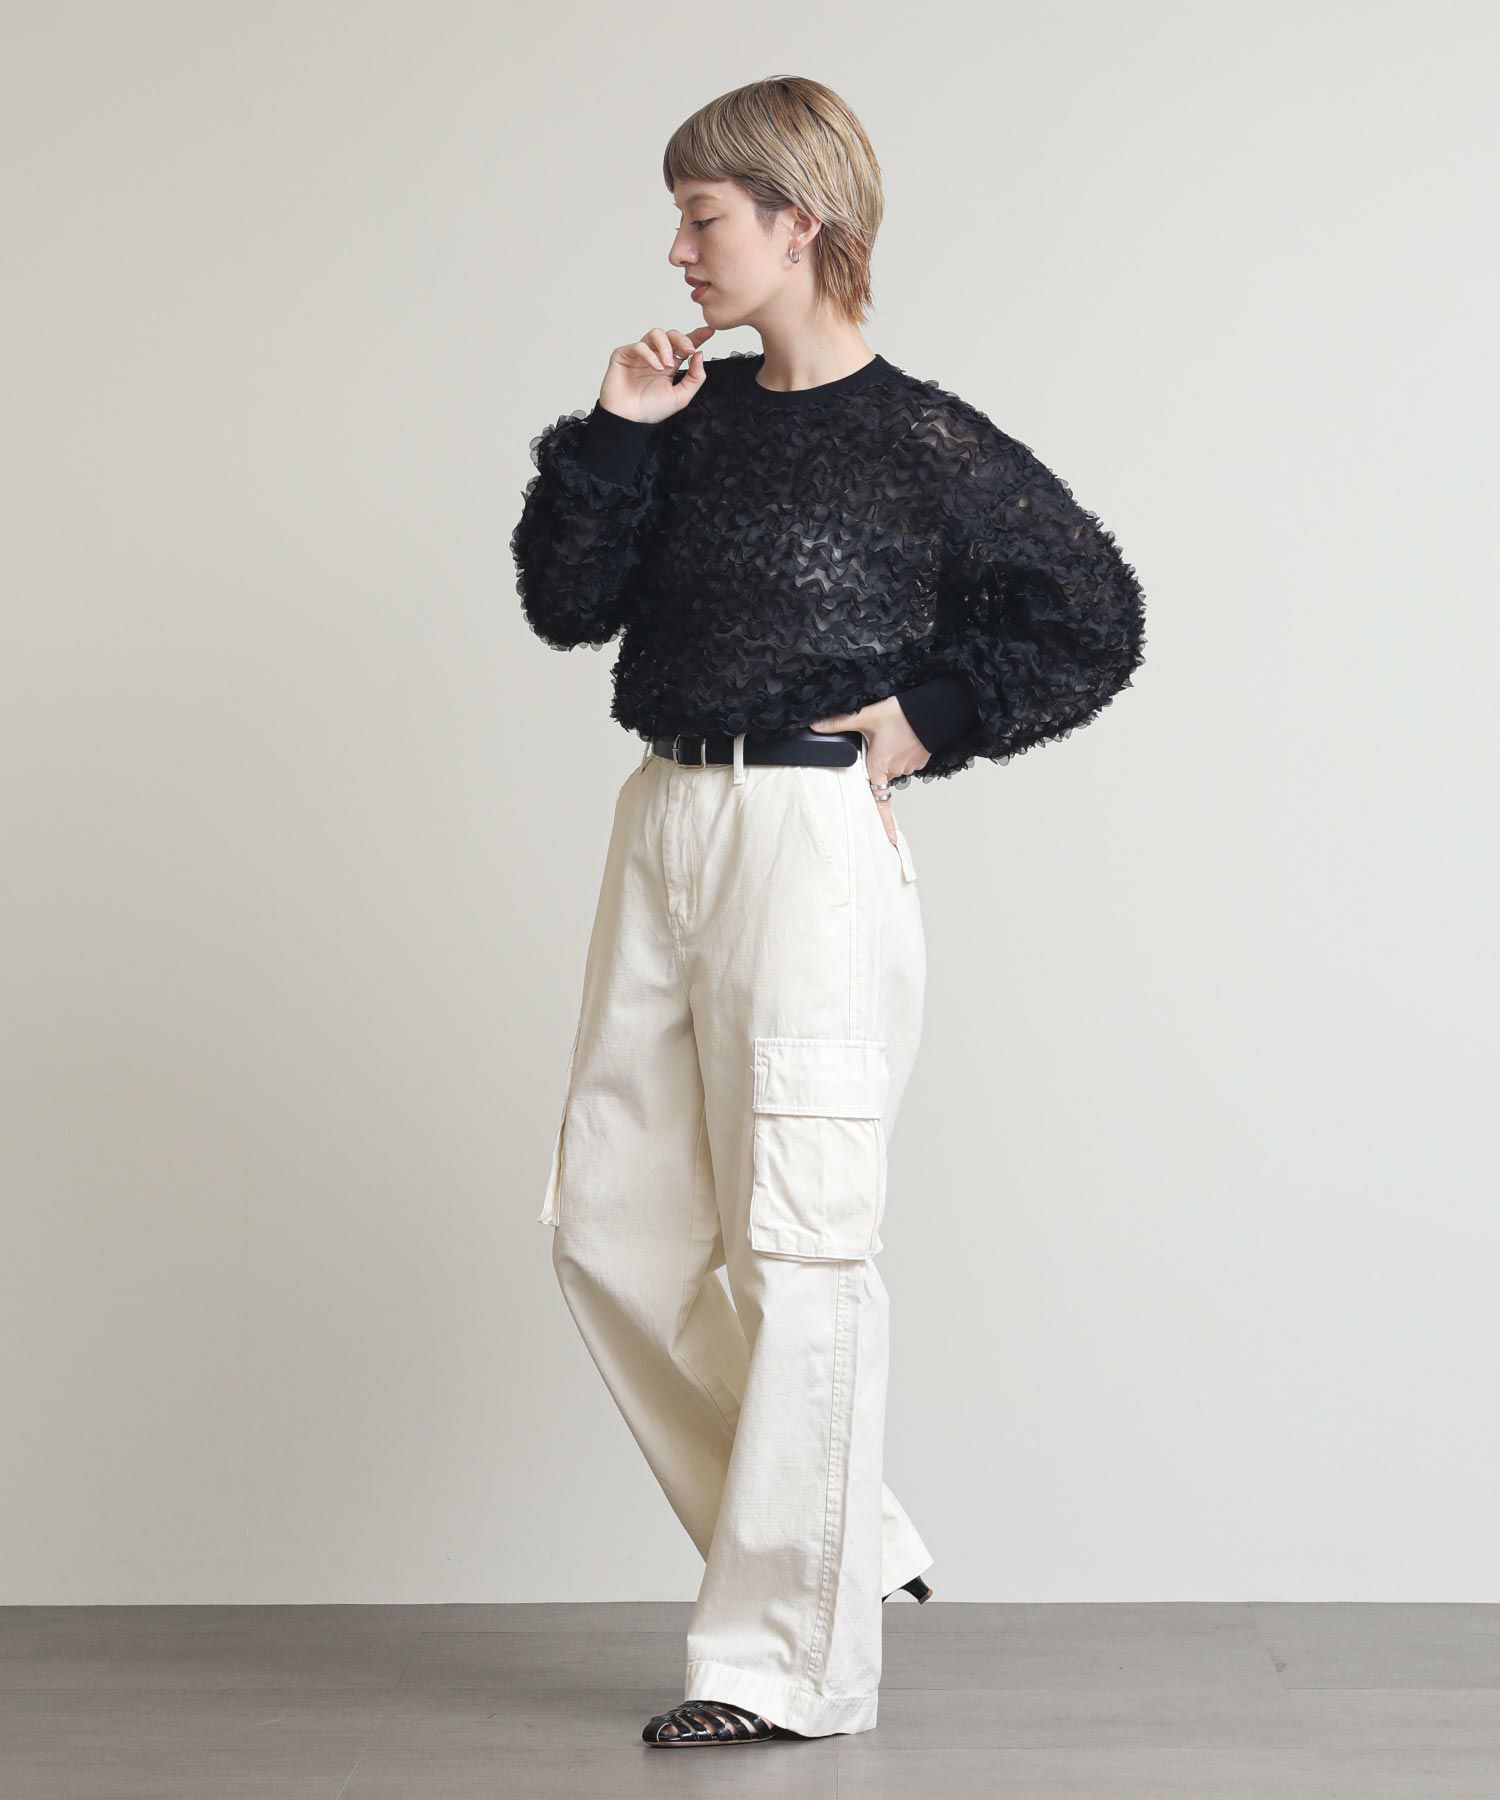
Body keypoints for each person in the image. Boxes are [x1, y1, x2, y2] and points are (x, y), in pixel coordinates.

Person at [510, 75, 1146, 1749]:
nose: (678, 250)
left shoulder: (925, 442)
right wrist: (617, 431)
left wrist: (931, 718)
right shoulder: (684, 415)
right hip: (662, 817)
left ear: (801, 222)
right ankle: (842, 1530)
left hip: (806, 838)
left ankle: (784, 1666)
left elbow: (1094, 611)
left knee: (801, 1244)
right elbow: (564, 605)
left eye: (702, 216)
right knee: (608, 1226)